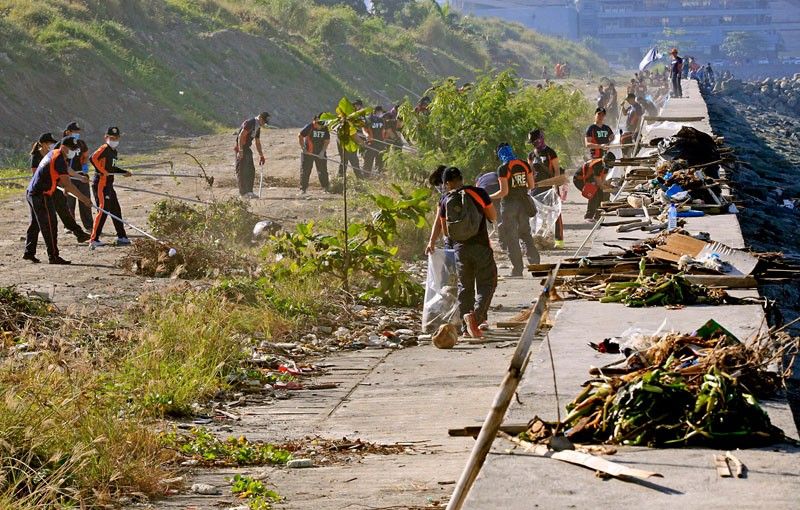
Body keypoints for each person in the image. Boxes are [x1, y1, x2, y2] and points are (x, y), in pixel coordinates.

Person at [425, 167, 497, 338]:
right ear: (461, 178)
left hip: (460, 250)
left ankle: (466, 328)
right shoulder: (479, 193)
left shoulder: (445, 200)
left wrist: (433, 241)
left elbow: (446, 231)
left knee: (465, 287)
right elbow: (493, 216)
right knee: (487, 283)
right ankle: (476, 318)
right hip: (481, 247)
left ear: (447, 183)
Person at [24, 137, 93, 264]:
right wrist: (84, 199)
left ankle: (29, 252)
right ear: (63, 147)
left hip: (33, 193)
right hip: (41, 195)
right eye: (71, 148)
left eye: (74, 149)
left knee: (35, 224)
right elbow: (68, 184)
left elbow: (65, 172)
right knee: (50, 225)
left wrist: (79, 177)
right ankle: (53, 256)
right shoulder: (58, 158)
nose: (73, 151)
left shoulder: (55, 154)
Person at [490, 143, 539, 277]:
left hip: (509, 205)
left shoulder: (503, 168)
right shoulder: (524, 164)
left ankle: (517, 270)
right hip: (523, 204)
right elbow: (531, 185)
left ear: (500, 154)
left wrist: (488, 197)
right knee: (525, 234)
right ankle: (536, 265)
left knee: (512, 237)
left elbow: (503, 192)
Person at [89, 127, 132, 249]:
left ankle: (122, 237)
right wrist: (102, 171)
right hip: (101, 184)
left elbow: (112, 169)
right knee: (103, 210)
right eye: (111, 138)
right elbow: (92, 158)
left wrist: (124, 172)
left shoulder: (114, 152)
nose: (114, 140)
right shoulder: (104, 149)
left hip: (109, 184)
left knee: (116, 210)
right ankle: (94, 239)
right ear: (106, 137)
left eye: (116, 138)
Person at [527, 129, 564, 249]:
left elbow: (556, 169)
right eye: (532, 142)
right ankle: (536, 238)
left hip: (551, 186)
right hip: (537, 187)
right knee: (534, 213)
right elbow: (530, 172)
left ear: (541, 139)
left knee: (555, 213)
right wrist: (529, 186)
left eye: (535, 141)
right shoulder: (531, 155)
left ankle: (558, 241)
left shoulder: (550, 153)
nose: (534, 144)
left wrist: (556, 184)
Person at [62, 122, 93, 232]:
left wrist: (84, 166)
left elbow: (85, 155)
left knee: (85, 200)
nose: (77, 134)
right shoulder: (62, 144)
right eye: (75, 132)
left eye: (78, 132)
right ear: (68, 132)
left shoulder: (81, 143)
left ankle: (89, 225)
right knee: (69, 202)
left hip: (81, 175)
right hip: (67, 176)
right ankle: (69, 226)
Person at [234, 111, 269, 198]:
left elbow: (257, 142)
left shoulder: (257, 127)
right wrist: (240, 150)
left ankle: (249, 191)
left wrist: (261, 155)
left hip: (247, 149)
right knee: (242, 170)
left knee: (250, 170)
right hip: (241, 148)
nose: (264, 124)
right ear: (260, 118)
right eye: (264, 121)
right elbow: (241, 136)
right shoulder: (250, 123)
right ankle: (243, 193)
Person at [574, 152, 616, 222]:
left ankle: (598, 216)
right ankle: (588, 216)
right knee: (593, 194)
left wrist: (611, 186)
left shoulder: (606, 166)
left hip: (590, 179)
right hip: (579, 179)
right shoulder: (597, 165)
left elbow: (603, 181)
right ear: (604, 160)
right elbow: (600, 185)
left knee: (601, 195)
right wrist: (612, 190)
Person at [298, 114, 331, 193]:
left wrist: (322, 152)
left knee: (322, 170)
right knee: (305, 171)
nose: (320, 126)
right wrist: (303, 148)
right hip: (308, 153)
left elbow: (327, 141)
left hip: (320, 153)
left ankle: (326, 187)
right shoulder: (309, 127)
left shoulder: (324, 128)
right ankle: (303, 189)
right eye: (318, 123)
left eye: (321, 123)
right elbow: (300, 136)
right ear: (314, 121)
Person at [337, 98, 365, 179]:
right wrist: (361, 142)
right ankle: (360, 180)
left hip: (354, 139)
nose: (357, 107)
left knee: (345, 160)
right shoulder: (348, 116)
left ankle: (340, 178)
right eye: (355, 106)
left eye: (359, 106)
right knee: (352, 160)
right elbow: (352, 132)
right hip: (346, 139)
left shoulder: (361, 116)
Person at [362, 105, 387, 175]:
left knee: (380, 162)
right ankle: (366, 176)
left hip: (380, 143)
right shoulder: (368, 119)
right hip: (371, 143)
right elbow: (364, 129)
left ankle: (379, 175)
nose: (381, 114)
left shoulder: (382, 120)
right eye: (380, 112)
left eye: (382, 112)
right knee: (368, 161)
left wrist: (384, 141)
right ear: (376, 112)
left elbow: (383, 131)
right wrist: (367, 135)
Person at [620, 93, 644, 158]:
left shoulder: (637, 107)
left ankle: (633, 160)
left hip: (634, 130)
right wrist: (622, 107)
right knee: (625, 147)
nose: (627, 101)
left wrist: (637, 131)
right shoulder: (631, 106)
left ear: (632, 98)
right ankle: (627, 161)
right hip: (628, 129)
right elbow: (625, 113)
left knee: (634, 148)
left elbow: (639, 119)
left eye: (628, 99)